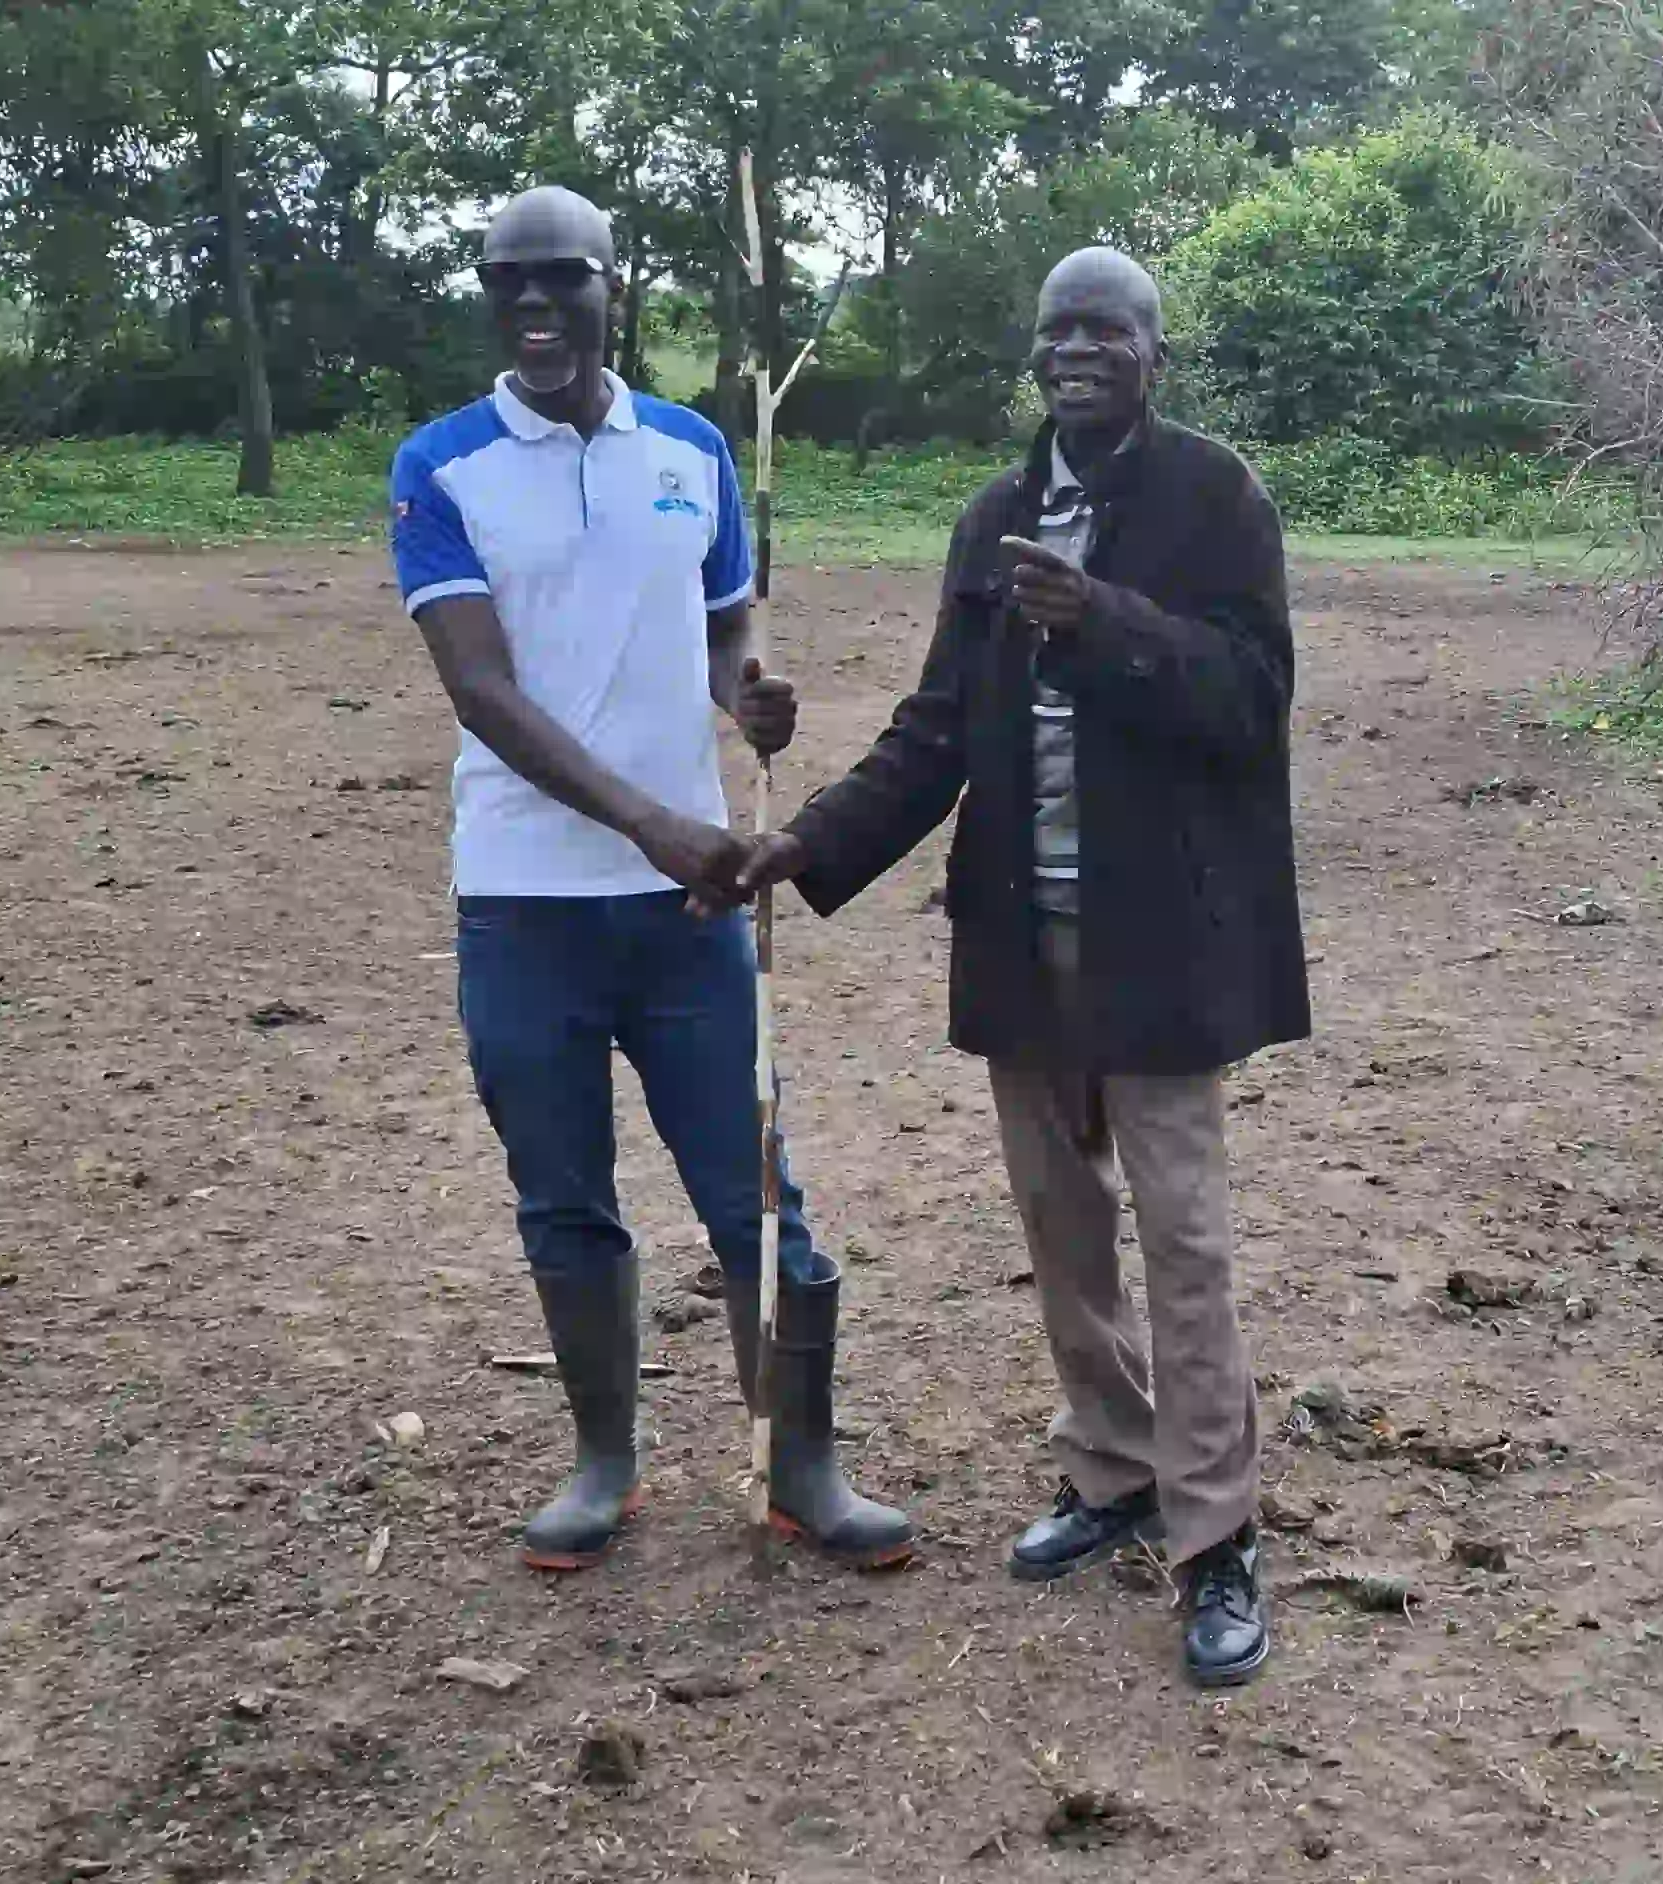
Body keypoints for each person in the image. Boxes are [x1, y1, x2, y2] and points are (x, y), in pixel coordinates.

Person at [726, 247, 1304, 1685]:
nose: (1079, 350)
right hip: (1021, 939)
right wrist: (804, 844)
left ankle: (1215, 1534)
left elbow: (1252, 702)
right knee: (1063, 1235)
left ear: (1155, 356)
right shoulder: (992, 517)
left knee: (1184, 1242)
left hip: (1163, 939)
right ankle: (1111, 1472)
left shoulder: (1214, 499)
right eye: (1057, 330)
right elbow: (936, 733)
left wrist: (1102, 622)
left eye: (1108, 328)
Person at [391, 185, 911, 1574]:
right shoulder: (438, 467)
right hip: (522, 904)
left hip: (693, 910)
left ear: (615, 287)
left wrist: (750, 697)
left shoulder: (690, 451)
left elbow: (721, 616)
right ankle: (603, 1461)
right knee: (562, 1195)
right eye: (507, 284)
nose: (535, 307)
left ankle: (803, 1466)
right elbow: (485, 693)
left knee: (755, 1192)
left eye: (562, 280)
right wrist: (647, 823)